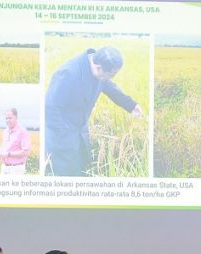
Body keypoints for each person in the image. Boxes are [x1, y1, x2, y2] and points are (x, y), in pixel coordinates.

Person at [44, 46, 144, 176]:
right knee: (66, 178)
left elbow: (110, 88)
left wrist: (131, 105)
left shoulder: (100, 72)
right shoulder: (67, 73)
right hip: (62, 138)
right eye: (111, 75)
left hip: (80, 132)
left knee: (82, 171)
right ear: (98, 68)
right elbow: (51, 107)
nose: (111, 78)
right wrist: (63, 135)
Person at [0, 108, 31, 175]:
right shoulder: (5, 131)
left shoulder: (22, 131)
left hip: (16, 169)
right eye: (6, 118)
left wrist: (8, 154)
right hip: (4, 167)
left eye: (10, 118)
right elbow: (5, 147)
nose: (8, 120)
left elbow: (26, 152)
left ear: (16, 117)